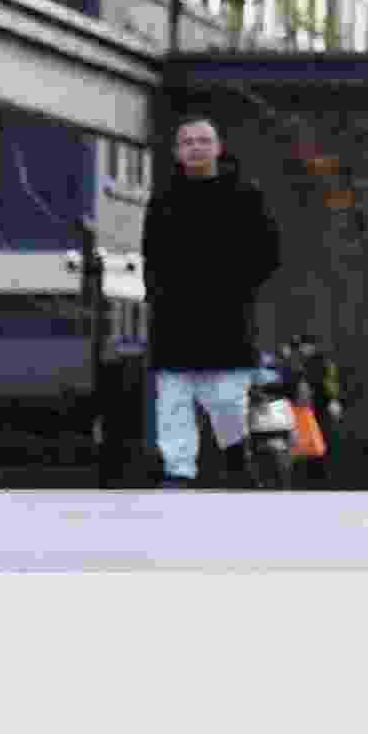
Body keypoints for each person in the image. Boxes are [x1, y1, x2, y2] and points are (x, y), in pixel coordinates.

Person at [142, 115, 281, 487]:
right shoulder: (163, 200)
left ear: (218, 148)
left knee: (226, 399)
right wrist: (156, 295)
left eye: (203, 141)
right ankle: (178, 471)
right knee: (173, 401)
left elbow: (269, 253)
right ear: (177, 151)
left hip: (227, 316)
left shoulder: (245, 196)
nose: (196, 148)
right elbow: (151, 256)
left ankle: (235, 456)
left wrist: (237, 286)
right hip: (173, 318)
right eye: (188, 142)